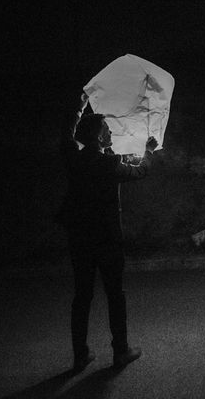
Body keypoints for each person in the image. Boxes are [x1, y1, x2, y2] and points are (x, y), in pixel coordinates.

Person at [56, 91, 158, 371]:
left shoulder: (75, 158)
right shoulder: (108, 164)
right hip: (107, 239)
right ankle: (120, 352)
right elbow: (139, 172)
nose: (111, 132)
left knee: (82, 296)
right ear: (100, 137)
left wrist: (77, 109)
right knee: (115, 295)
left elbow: (66, 136)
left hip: (79, 238)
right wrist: (149, 151)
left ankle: (80, 355)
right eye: (107, 129)